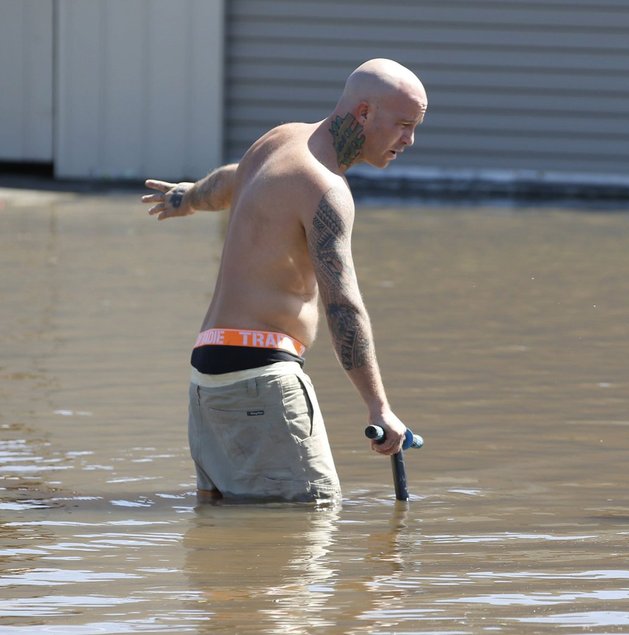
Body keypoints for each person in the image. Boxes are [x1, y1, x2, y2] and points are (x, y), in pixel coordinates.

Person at [141, 58, 427, 503]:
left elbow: (230, 182)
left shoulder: (279, 141)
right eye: (404, 125)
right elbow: (343, 306)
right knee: (313, 519)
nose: (410, 140)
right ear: (365, 113)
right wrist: (379, 407)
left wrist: (188, 197)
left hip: (207, 380)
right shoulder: (325, 188)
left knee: (229, 546)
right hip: (260, 381)